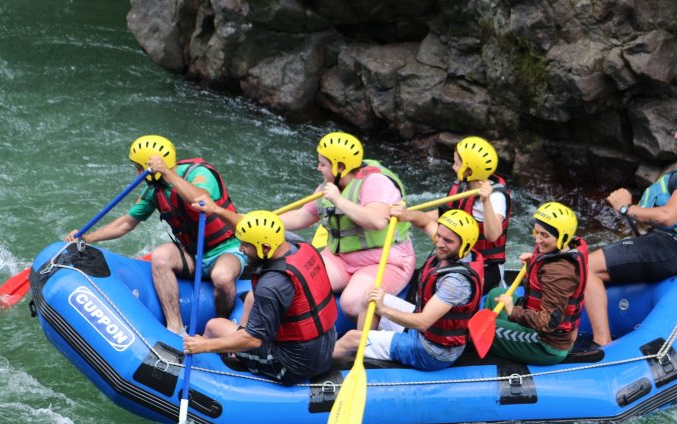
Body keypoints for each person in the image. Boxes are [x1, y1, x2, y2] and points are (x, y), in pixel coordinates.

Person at [579, 103, 677, 352]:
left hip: (669, 247)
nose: (676, 135)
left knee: (586, 267)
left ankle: (601, 343)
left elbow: (668, 216)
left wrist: (626, 208)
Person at [66, 135, 246, 334]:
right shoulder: (154, 191)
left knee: (221, 277)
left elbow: (202, 200)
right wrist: (87, 238)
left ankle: (220, 325)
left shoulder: (200, 173)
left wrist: (167, 173)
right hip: (194, 255)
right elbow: (126, 223)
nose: (137, 173)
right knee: (161, 256)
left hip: (228, 249)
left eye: (139, 168)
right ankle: (175, 327)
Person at [183, 211, 337, 384]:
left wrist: (203, 346)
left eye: (245, 245)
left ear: (265, 248)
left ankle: (213, 374)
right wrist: (215, 209)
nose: (240, 249)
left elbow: (252, 340)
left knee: (214, 326)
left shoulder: (271, 285)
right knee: (250, 297)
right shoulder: (299, 245)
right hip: (325, 346)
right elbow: (248, 226)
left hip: (292, 365)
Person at [277, 131, 416, 322]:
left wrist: (338, 200)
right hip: (341, 258)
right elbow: (303, 216)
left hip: (386, 260)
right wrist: (266, 221)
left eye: (323, 164)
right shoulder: (331, 185)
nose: (318, 168)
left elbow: (377, 221)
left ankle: (397, 327)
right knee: (300, 281)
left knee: (351, 305)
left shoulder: (376, 182)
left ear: (340, 167)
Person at [332, 209, 484, 371]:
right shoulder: (450, 244)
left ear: (465, 244)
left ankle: (319, 369)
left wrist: (384, 309)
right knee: (370, 297)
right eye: (438, 235)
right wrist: (404, 215)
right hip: (425, 333)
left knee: (350, 339)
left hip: (432, 351)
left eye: (447, 240)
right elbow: (424, 221)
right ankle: (363, 351)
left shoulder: (455, 282)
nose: (439, 243)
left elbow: (423, 322)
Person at [485, 202, 588, 365]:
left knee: (482, 328)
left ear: (562, 238)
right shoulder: (563, 249)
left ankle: (491, 345)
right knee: (494, 295)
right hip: (538, 325)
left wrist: (512, 310)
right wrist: (534, 261)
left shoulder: (559, 273)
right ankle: (495, 343)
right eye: (536, 232)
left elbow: (548, 322)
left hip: (545, 344)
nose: (538, 239)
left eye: (545, 235)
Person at [438, 136, 511, 292]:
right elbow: (442, 214)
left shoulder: (495, 197)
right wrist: (409, 215)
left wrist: (486, 201)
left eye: (457, 163)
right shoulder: (463, 187)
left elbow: (493, 235)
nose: (453, 167)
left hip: (486, 266)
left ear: (468, 170)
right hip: (461, 256)